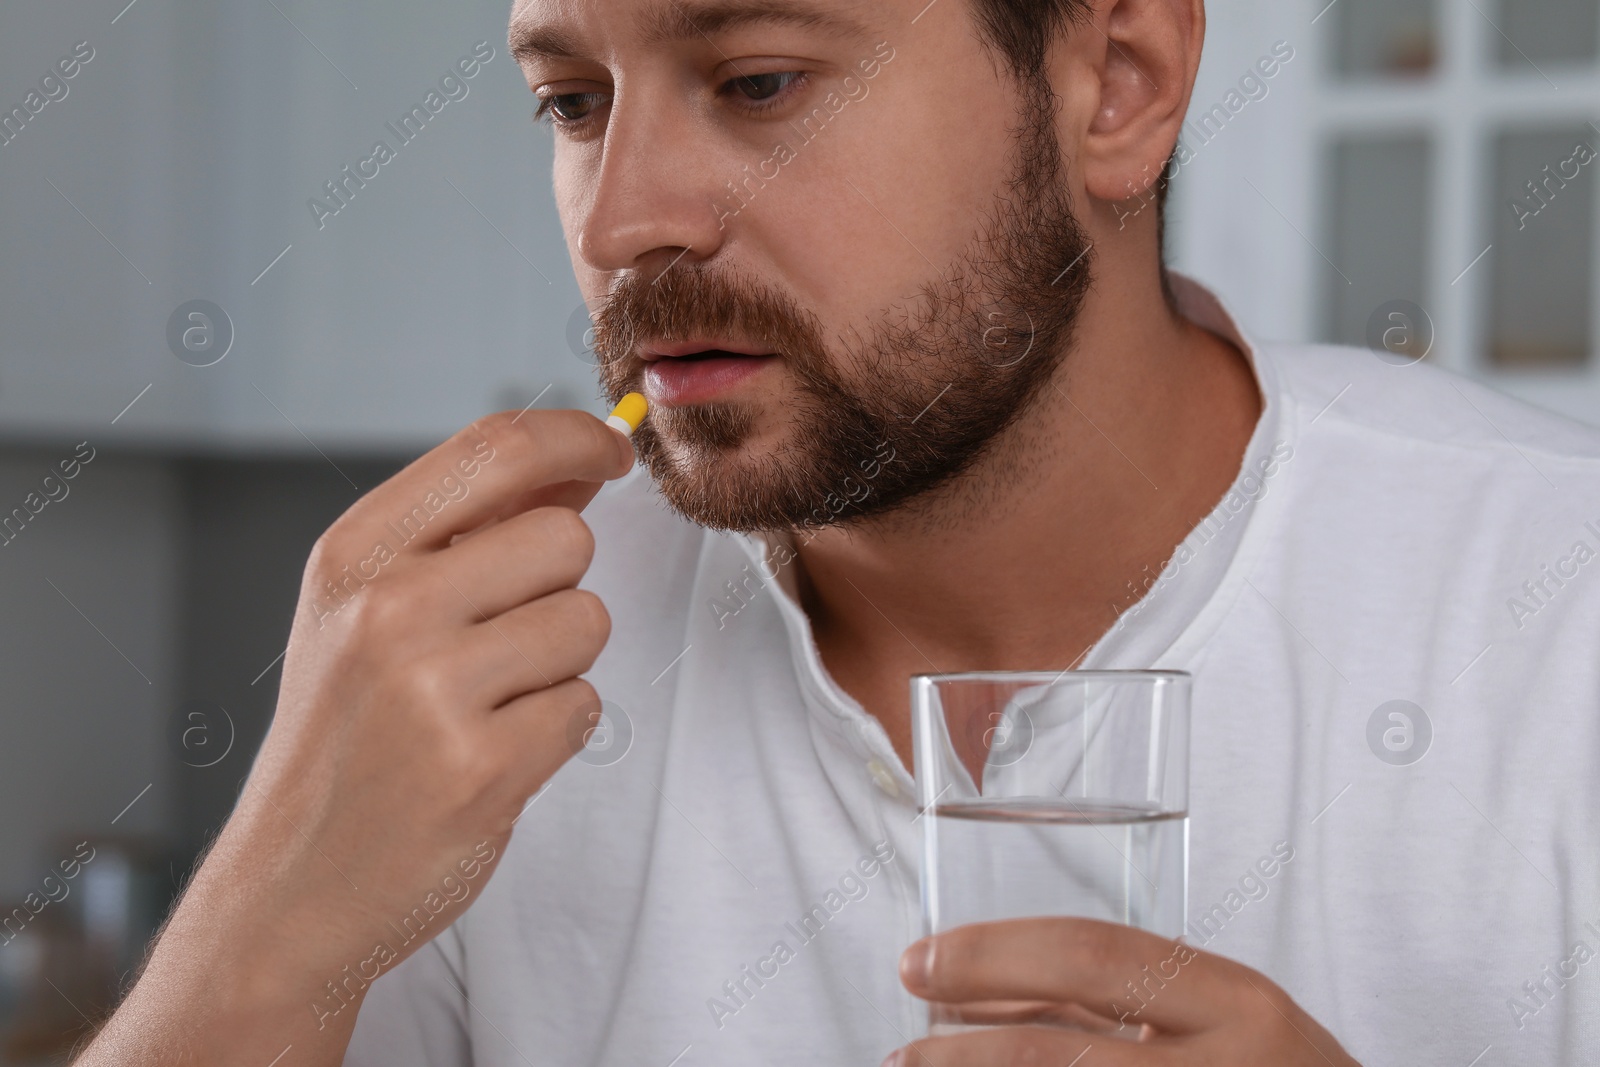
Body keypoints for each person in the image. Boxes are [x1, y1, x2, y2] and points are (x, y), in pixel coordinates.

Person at [77, 1, 1600, 1064]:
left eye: (756, 81)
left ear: (1117, 81)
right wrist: (269, 920)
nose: (622, 222)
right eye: (572, 102)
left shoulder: (1557, 618)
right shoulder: (471, 681)